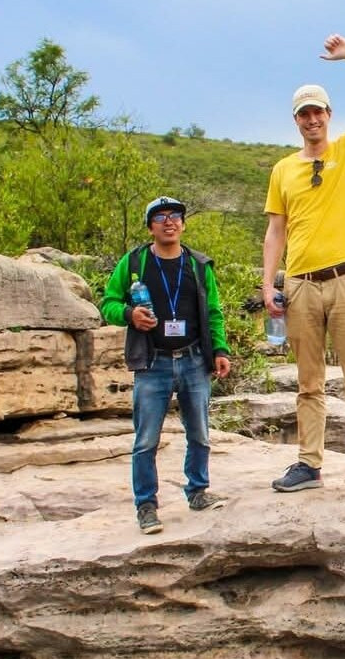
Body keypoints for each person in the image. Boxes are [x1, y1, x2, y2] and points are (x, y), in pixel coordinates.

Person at [262, 33, 345, 497]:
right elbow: (276, 231)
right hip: (300, 284)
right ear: (296, 120)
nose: (313, 119)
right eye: (305, 113)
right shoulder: (283, 169)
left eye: (318, 111)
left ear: (329, 116)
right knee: (309, 382)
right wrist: (268, 285)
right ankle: (309, 464)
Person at [101, 195, 232, 534]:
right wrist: (130, 314)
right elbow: (108, 303)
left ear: (184, 224)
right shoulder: (134, 263)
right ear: (150, 227)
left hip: (193, 359)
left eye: (175, 216)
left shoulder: (199, 266)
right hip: (153, 362)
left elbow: (214, 312)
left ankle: (198, 491)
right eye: (160, 217)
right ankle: (146, 506)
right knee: (146, 439)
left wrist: (220, 349)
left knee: (200, 433)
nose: (169, 221)